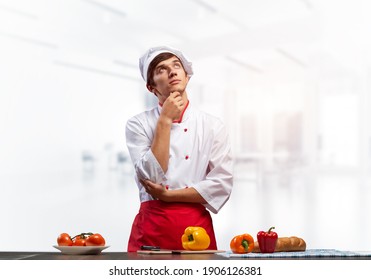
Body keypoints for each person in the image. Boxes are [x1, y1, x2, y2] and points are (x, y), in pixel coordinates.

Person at [125, 46, 233, 252]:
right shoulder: (138, 124)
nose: (172, 71)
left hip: (196, 229)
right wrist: (165, 120)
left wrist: (168, 196)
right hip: (152, 228)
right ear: (151, 87)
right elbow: (150, 178)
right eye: (161, 70)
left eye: (176, 66)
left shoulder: (212, 125)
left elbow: (222, 184)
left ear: (187, 76)